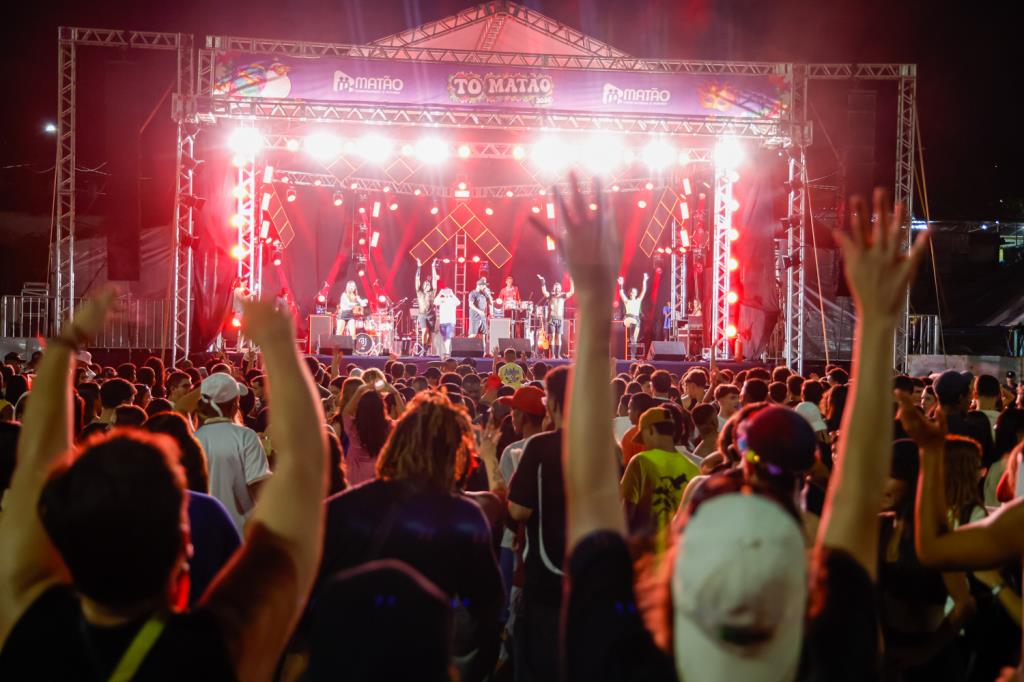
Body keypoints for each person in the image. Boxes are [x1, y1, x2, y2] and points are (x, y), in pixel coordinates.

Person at [556, 179, 929, 681]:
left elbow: (589, 487)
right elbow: (859, 500)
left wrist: (595, 303)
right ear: (804, 588)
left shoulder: (616, 665)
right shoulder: (832, 661)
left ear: (675, 574)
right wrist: (879, 321)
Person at [0, 290, 329, 680]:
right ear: (185, 548)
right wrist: (276, 341)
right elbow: (304, 471)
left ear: (60, 537)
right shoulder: (218, 650)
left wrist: (65, 344)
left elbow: (36, 464)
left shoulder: (23, 616)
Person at [317, 391, 503, 682]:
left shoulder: (342, 508)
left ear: (396, 442)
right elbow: (487, 610)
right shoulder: (464, 518)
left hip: (347, 658)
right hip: (426, 660)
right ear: (455, 452)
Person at [507, 366, 570, 682]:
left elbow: (518, 511)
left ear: (554, 403)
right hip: (589, 581)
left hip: (545, 581)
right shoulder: (608, 448)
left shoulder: (541, 447)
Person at [194, 373, 271, 531]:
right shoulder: (246, 436)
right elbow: (259, 487)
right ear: (234, 405)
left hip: (202, 528)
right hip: (240, 531)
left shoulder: (194, 437)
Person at [620, 406, 700, 557]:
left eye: (643, 438)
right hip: (676, 556)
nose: (643, 444)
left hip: (645, 556)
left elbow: (626, 513)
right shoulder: (693, 468)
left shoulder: (640, 461)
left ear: (650, 431)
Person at [339, 382, 397, 487]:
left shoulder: (353, 428)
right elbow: (404, 417)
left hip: (354, 484)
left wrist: (360, 390)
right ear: (381, 408)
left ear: (360, 408)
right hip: (379, 481)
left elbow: (346, 412)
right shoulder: (388, 428)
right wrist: (396, 393)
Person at [538, 274, 573, 359]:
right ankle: (553, 355)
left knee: (559, 337)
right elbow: (544, 291)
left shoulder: (563, 296)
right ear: (554, 288)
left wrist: (572, 281)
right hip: (552, 319)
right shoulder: (550, 295)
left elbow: (572, 292)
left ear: (560, 289)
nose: (557, 289)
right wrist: (542, 281)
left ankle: (558, 355)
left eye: (558, 287)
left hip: (560, 319)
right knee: (553, 336)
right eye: (555, 287)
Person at [415, 259, 439, 354]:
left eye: (428, 284)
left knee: (430, 334)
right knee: (424, 331)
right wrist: (419, 267)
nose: (427, 284)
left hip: (431, 315)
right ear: (423, 286)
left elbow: (434, 279)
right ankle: (424, 349)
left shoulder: (432, 293)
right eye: (425, 283)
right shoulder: (419, 292)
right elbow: (417, 280)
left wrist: (433, 267)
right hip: (422, 315)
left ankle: (427, 347)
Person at [618, 272, 649, 345]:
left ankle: (632, 341)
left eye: (635, 292)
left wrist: (644, 281)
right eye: (633, 292)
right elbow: (621, 293)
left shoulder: (638, 300)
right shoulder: (627, 301)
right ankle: (632, 340)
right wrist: (621, 284)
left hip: (632, 320)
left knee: (637, 324)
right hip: (629, 320)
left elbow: (643, 290)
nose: (635, 293)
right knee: (636, 322)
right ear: (630, 293)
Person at [433, 285, 461, 357]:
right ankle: (445, 352)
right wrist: (440, 293)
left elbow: (458, 302)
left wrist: (452, 294)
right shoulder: (442, 300)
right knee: (443, 337)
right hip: (443, 322)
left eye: (448, 291)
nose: (447, 293)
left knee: (448, 337)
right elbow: (435, 302)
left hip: (450, 321)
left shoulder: (453, 299)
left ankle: (447, 352)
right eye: (446, 291)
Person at [468, 277, 492, 345]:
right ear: (479, 285)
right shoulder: (473, 293)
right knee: (473, 335)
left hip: (483, 317)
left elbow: (491, 303)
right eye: (484, 285)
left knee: (483, 336)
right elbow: (470, 305)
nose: (485, 287)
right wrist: (478, 311)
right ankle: (468, 350)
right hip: (475, 317)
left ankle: (483, 353)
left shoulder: (484, 294)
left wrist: (488, 294)